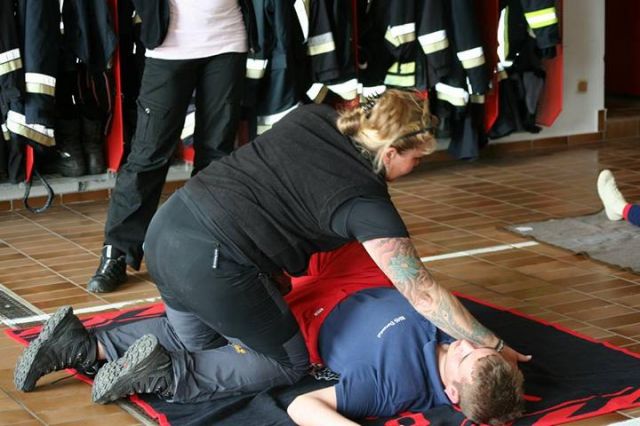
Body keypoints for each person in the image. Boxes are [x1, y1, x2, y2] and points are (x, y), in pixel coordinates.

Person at [16, 89, 530, 402]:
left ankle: (78, 345)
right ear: (391, 151)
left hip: (168, 230)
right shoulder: (366, 204)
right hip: (215, 265)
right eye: (416, 159)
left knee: (200, 337)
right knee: (288, 364)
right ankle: (167, 375)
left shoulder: (312, 117)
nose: (415, 168)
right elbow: (423, 293)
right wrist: (491, 344)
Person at [14, 243, 524, 426]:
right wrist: (494, 350)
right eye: (477, 348)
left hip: (309, 318)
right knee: (213, 322)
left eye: (466, 357)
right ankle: (143, 364)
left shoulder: (398, 388)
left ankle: (96, 348)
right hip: (345, 282)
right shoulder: (459, 344)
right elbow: (446, 314)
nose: (466, 344)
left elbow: (303, 406)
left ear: (451, 392)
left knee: (254, 351)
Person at [87, 0, 257, 293]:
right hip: (170, 45)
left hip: (228, 40)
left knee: (216, 155)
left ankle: (206, 244)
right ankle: (117, 252)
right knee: (148, 154)